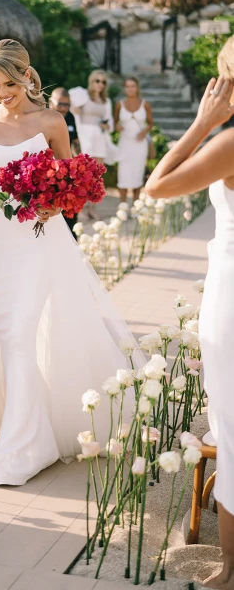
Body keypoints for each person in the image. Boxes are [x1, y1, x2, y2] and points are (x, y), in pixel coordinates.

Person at [0, 39, 143, 487]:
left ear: (26, 76)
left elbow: (75, 182)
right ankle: (24, 424)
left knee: (20, 334)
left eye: (10, 83)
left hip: (38, 243)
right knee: (5, 336)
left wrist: (53, 205)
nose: (3, 93)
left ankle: (23, 450)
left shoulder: (53, 121)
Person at [146, 36, 234, 590]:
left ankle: (230, 572)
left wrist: (202, 122)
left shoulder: (229, 142)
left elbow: (157, 186)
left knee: (232, 427)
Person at [71, 69, 115, 218]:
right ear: (91, 81)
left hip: (100, 137)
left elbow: (110, 122)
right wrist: (74, 110)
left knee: (97, 176)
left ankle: (92, 209)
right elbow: (68, 101)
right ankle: (81, 208)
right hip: (86, 137)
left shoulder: (106, 101)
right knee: (84, 175)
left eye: (103, 82)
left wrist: (107, 126)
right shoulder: (83, 95)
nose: (100, 84)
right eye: (97, 81)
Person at [114, 76, 153, 203]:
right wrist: (117, 126)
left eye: (132, 86)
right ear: (124, 88)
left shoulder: (145, 104)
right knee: (123, 174)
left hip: (139, 144)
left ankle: (136, 206)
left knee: (137, 173)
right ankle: (122, 206)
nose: (130, 89)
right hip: (124, 143)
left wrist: (144, 132)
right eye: (127, 86)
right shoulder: (119, 104)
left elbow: (151, 123)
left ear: (137, 88)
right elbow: (114, 123)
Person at [49, 87, 82, 236]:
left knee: (70, 208)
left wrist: (81, 165)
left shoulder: (70, 117)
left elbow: (75, 141)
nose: (63, 108)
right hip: (48, 170)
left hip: (66, 168)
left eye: (66, 105)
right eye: (60, 104)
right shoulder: (45, 117)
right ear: (50, 102)